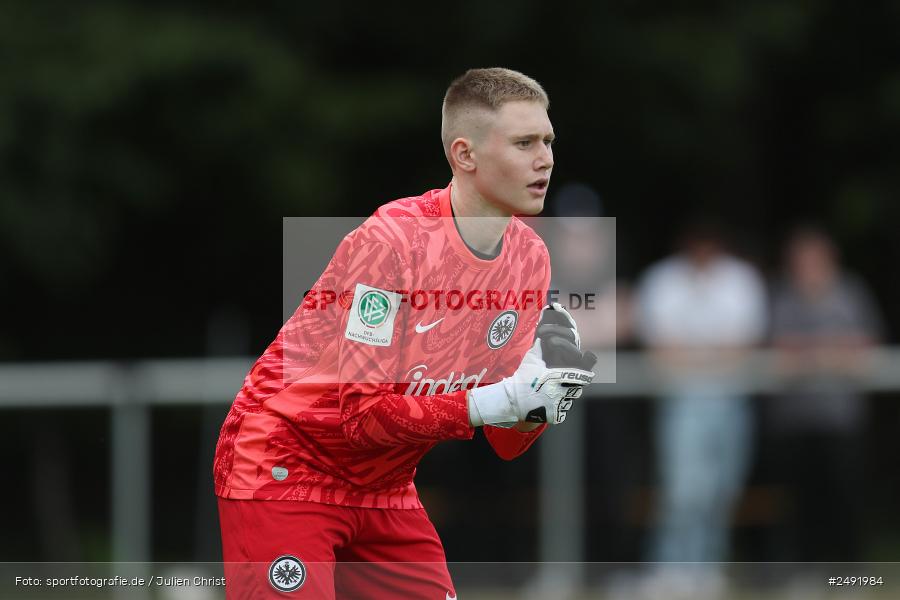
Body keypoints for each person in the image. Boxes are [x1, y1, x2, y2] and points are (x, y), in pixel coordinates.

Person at [213, 68, 596, 599]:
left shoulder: (530, 258)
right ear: (465, 155)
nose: (546, 159)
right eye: (524, 142)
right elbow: (363, 417)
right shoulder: (393, 242)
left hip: (384, 486)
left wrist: (545, 396)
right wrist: (497, 400)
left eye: (548, 141)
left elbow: (505, 440)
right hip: (286, 464)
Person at [635, 222, 766, 598]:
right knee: (683, 490)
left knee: (723, 489)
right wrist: (711, 356)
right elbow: (662, 349)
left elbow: (744, 344)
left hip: (731, 398)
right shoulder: (662, 279)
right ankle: (670, 568)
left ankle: (708, 568)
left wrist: (696, 356)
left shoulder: (742, 279)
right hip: (681, 400)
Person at [766, 227, 882, 562]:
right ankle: (801, 568)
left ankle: (849, 570)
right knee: (797, 500)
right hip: (792, 419)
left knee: (845, 495)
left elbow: (866, 344)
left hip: (841, 416)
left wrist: (812, 355)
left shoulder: (851, 292)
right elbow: (778, 349)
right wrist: (831, 352)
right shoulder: (783, 296)